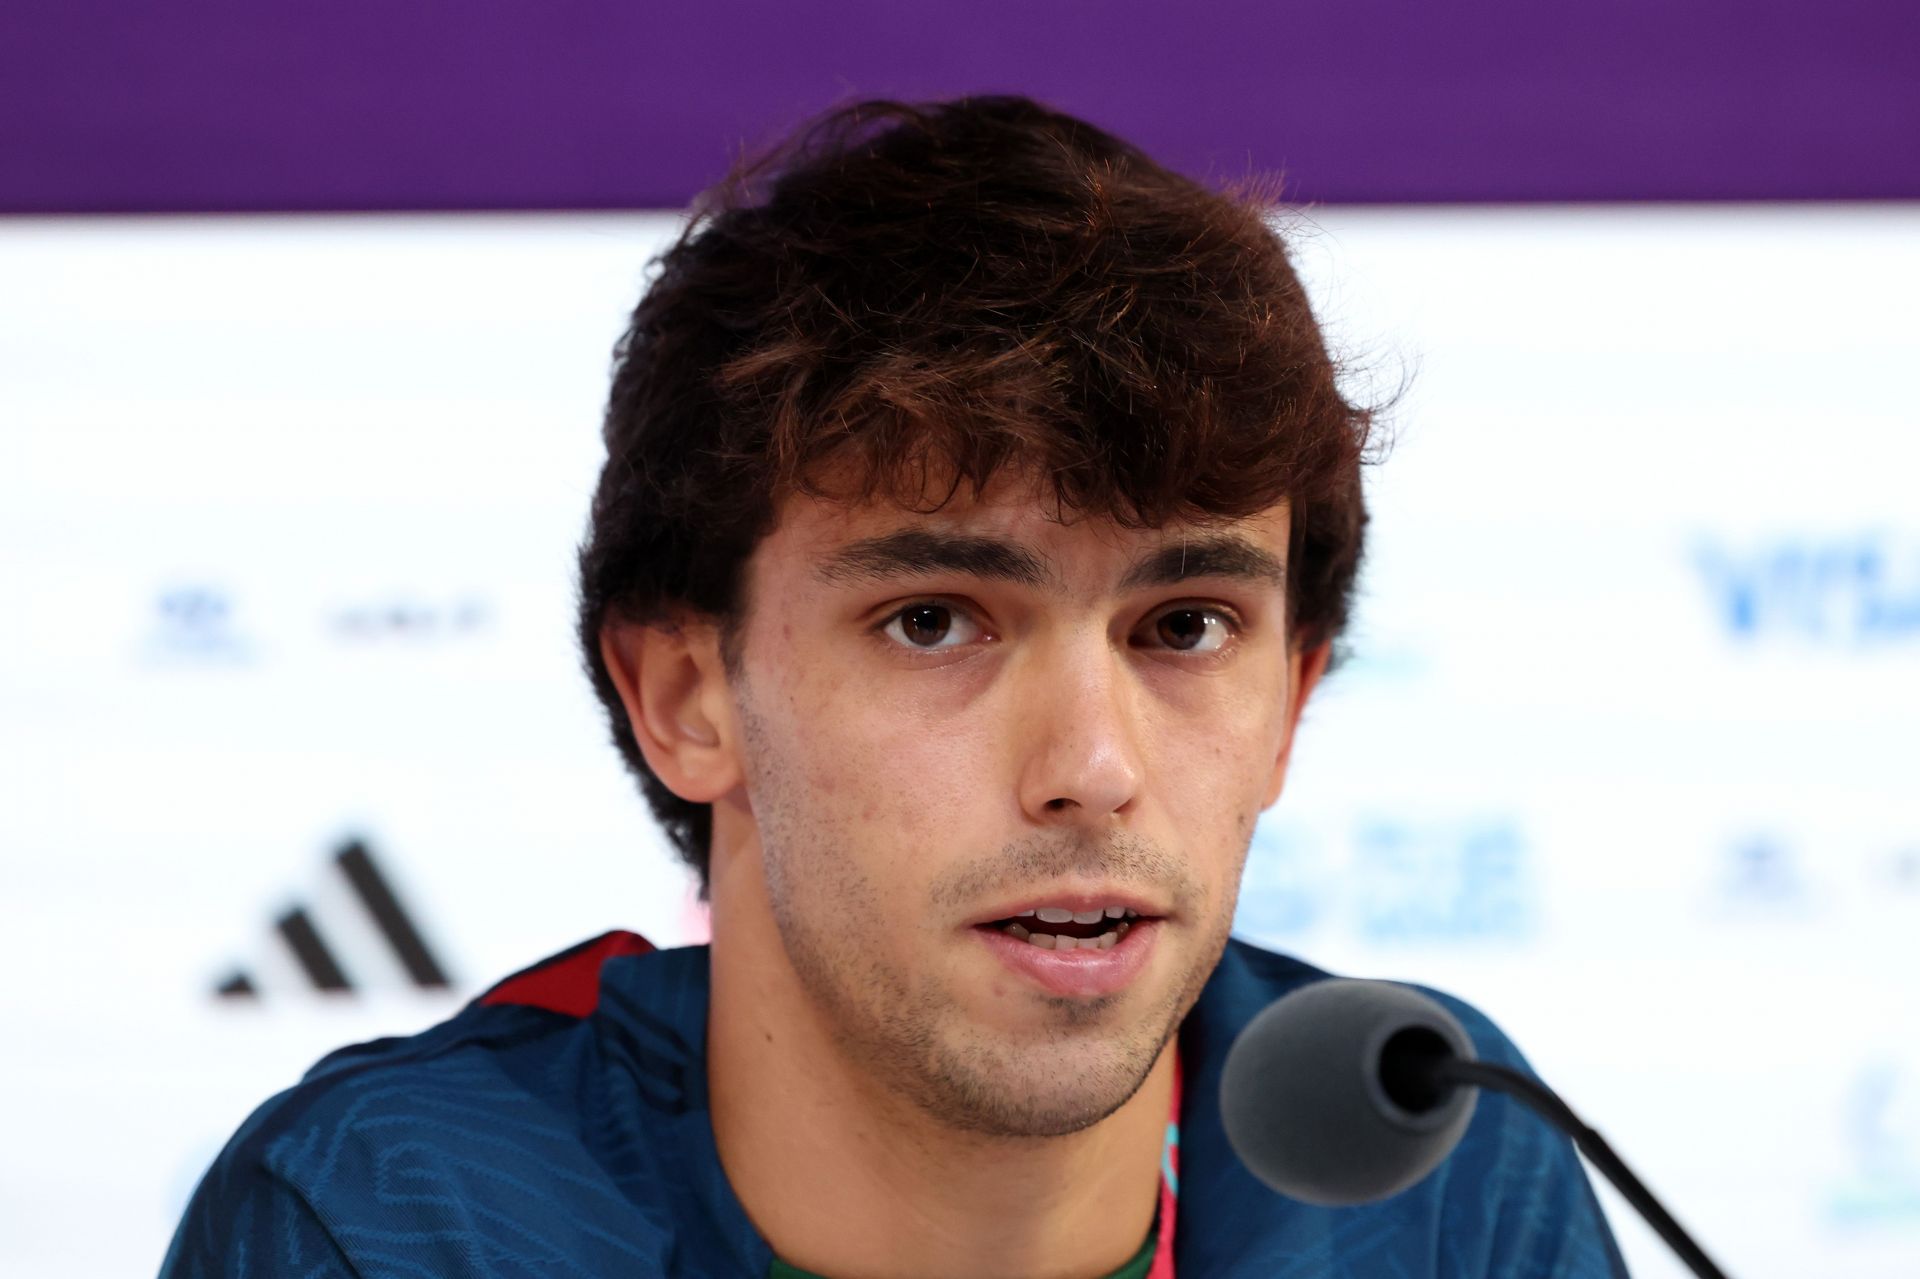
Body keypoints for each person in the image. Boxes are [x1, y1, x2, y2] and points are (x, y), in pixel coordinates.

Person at [162, 96, 1627, 1278]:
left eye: (1183, 628)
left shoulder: (1428, 1159)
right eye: (935, 620)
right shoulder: (402, 1223)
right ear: (686, 696)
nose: (1092, 767)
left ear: (1293, 705)